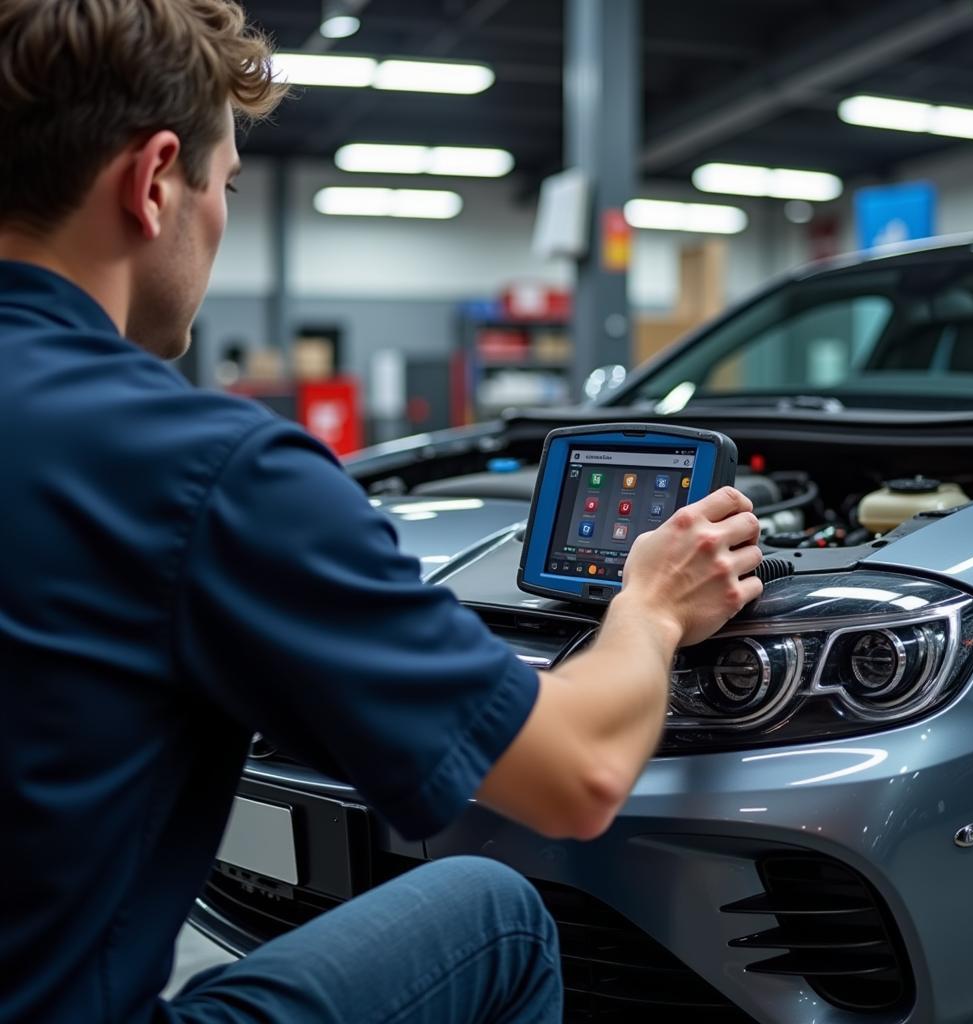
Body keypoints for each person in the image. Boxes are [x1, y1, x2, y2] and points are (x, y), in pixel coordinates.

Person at [0, 2, 764, 1022]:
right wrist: (652, 609)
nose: (220, 218)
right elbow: (576, 774)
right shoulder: (207, 470)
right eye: (223, 187)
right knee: (494, 911)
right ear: (152, 183)